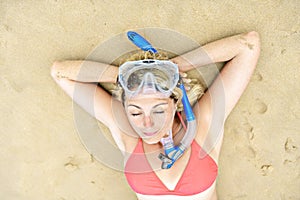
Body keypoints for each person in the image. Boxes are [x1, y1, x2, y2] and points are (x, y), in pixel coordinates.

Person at [51, 31, 260, 200]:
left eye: (159, 109)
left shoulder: (204, 123)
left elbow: (248, 45)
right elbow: (60, 73)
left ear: (176, 102)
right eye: (135, 111)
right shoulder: (127, 131)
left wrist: (174, 68)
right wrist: (123, 75)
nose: (147, 123)